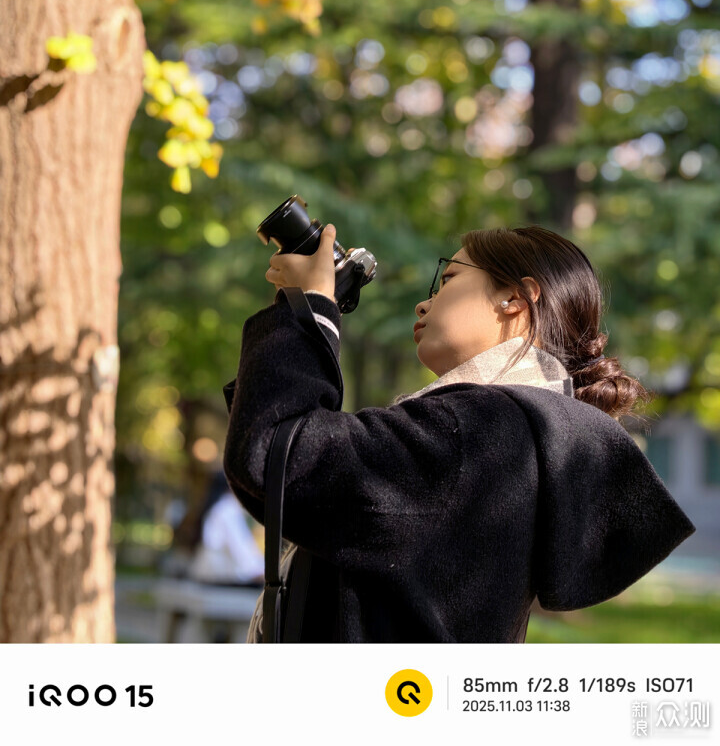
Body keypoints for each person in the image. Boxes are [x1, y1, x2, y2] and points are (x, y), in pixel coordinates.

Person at [222, 222, 695, 642]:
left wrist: (312, 309)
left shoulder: (482, 431)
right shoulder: (521, 434)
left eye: (447, 278)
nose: (422, 302)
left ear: (516, 298)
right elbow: (291, 469)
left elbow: (278, 456)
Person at [187, 469, 264, 586]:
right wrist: (259, 570)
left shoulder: (219, 507)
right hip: (220, 574)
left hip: (211, 573)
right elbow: (239, 547)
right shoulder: (227, 509)